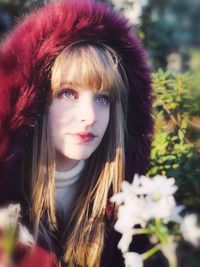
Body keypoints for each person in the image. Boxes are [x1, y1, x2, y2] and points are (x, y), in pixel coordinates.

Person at [0, 0, 153, 266]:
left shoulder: (131, 218)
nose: (90, 116)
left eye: (103, 98)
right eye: (68, 93)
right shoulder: (7, 206)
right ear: (34, 101)